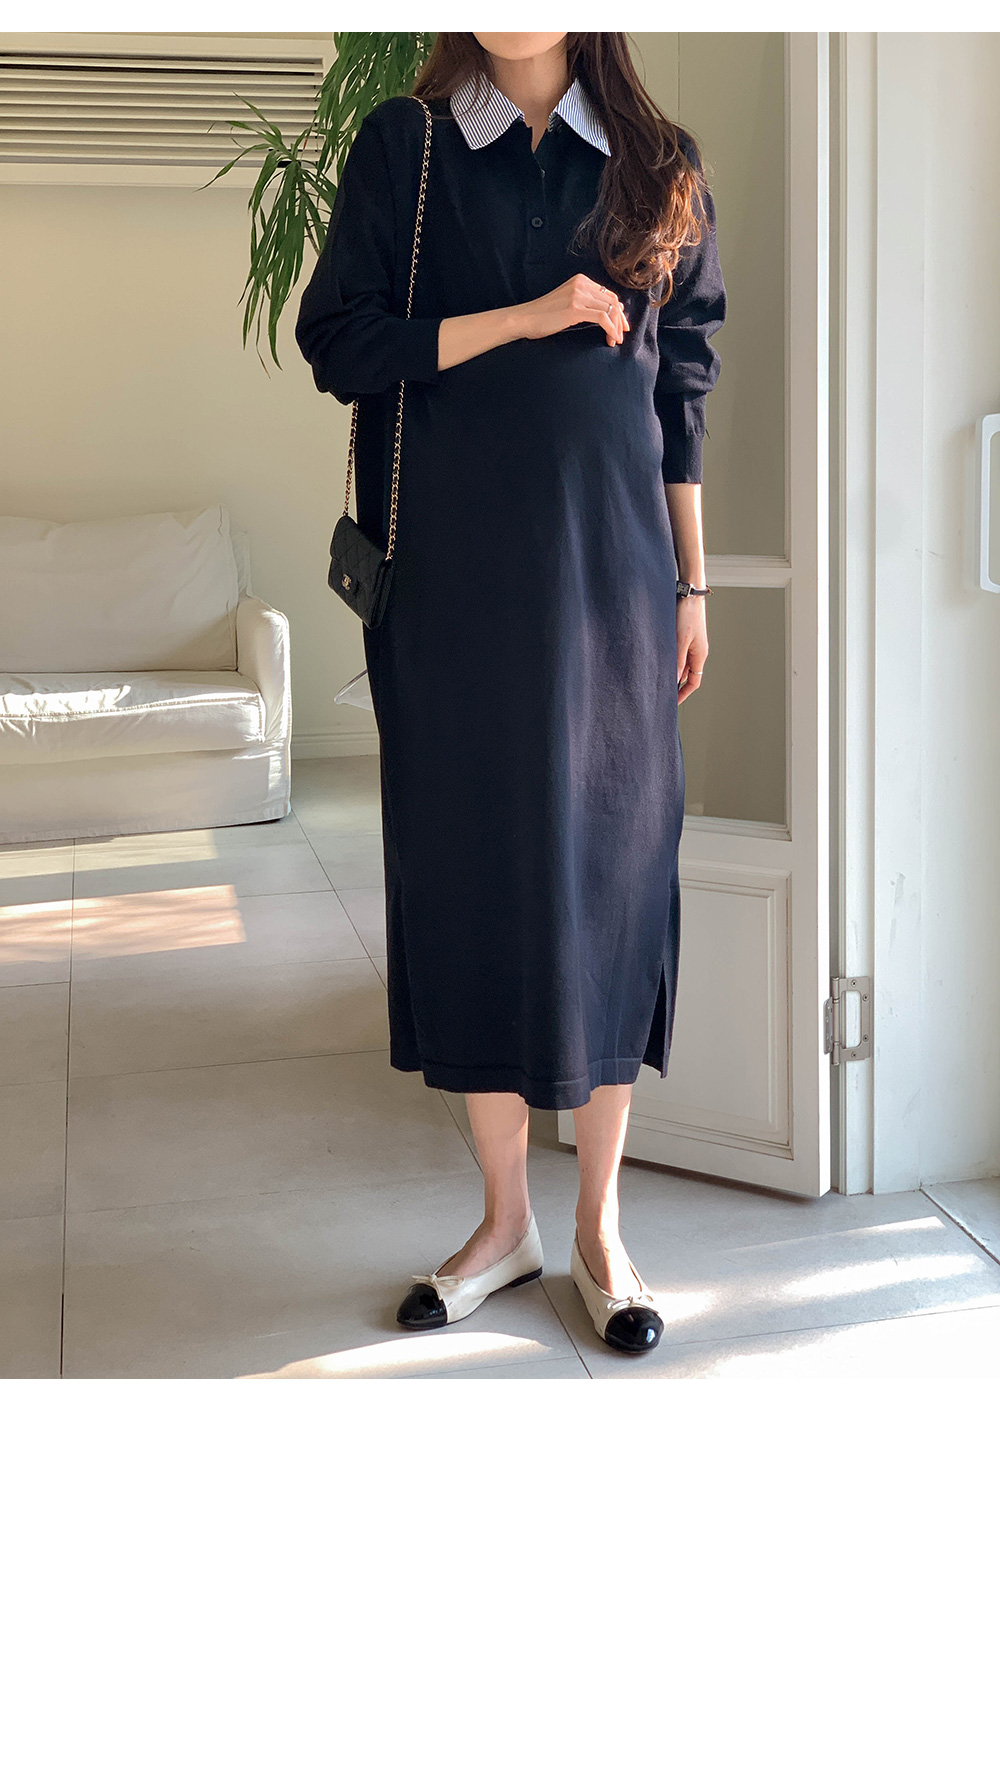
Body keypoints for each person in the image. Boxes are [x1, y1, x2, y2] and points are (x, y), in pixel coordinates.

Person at [295, 31, 726, 1355]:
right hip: (451, 595)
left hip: (616, 589)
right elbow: (340, 343)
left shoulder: (658, 164)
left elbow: (681, 393)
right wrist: (530, 315)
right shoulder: (406, 149)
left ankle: (599, 1227)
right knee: (469, 877)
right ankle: (502, 1222)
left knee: (613, 883)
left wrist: (691, 585)